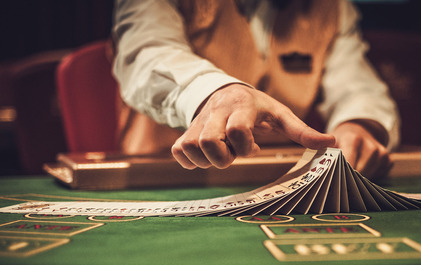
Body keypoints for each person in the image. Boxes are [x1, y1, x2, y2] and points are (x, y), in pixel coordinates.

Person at [112, 0, 400, 179]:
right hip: (162, 179)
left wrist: (359, 125)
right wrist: (217, 93)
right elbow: (146, 53)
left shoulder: (333, 6)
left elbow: (358, 87)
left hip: (280, 185)